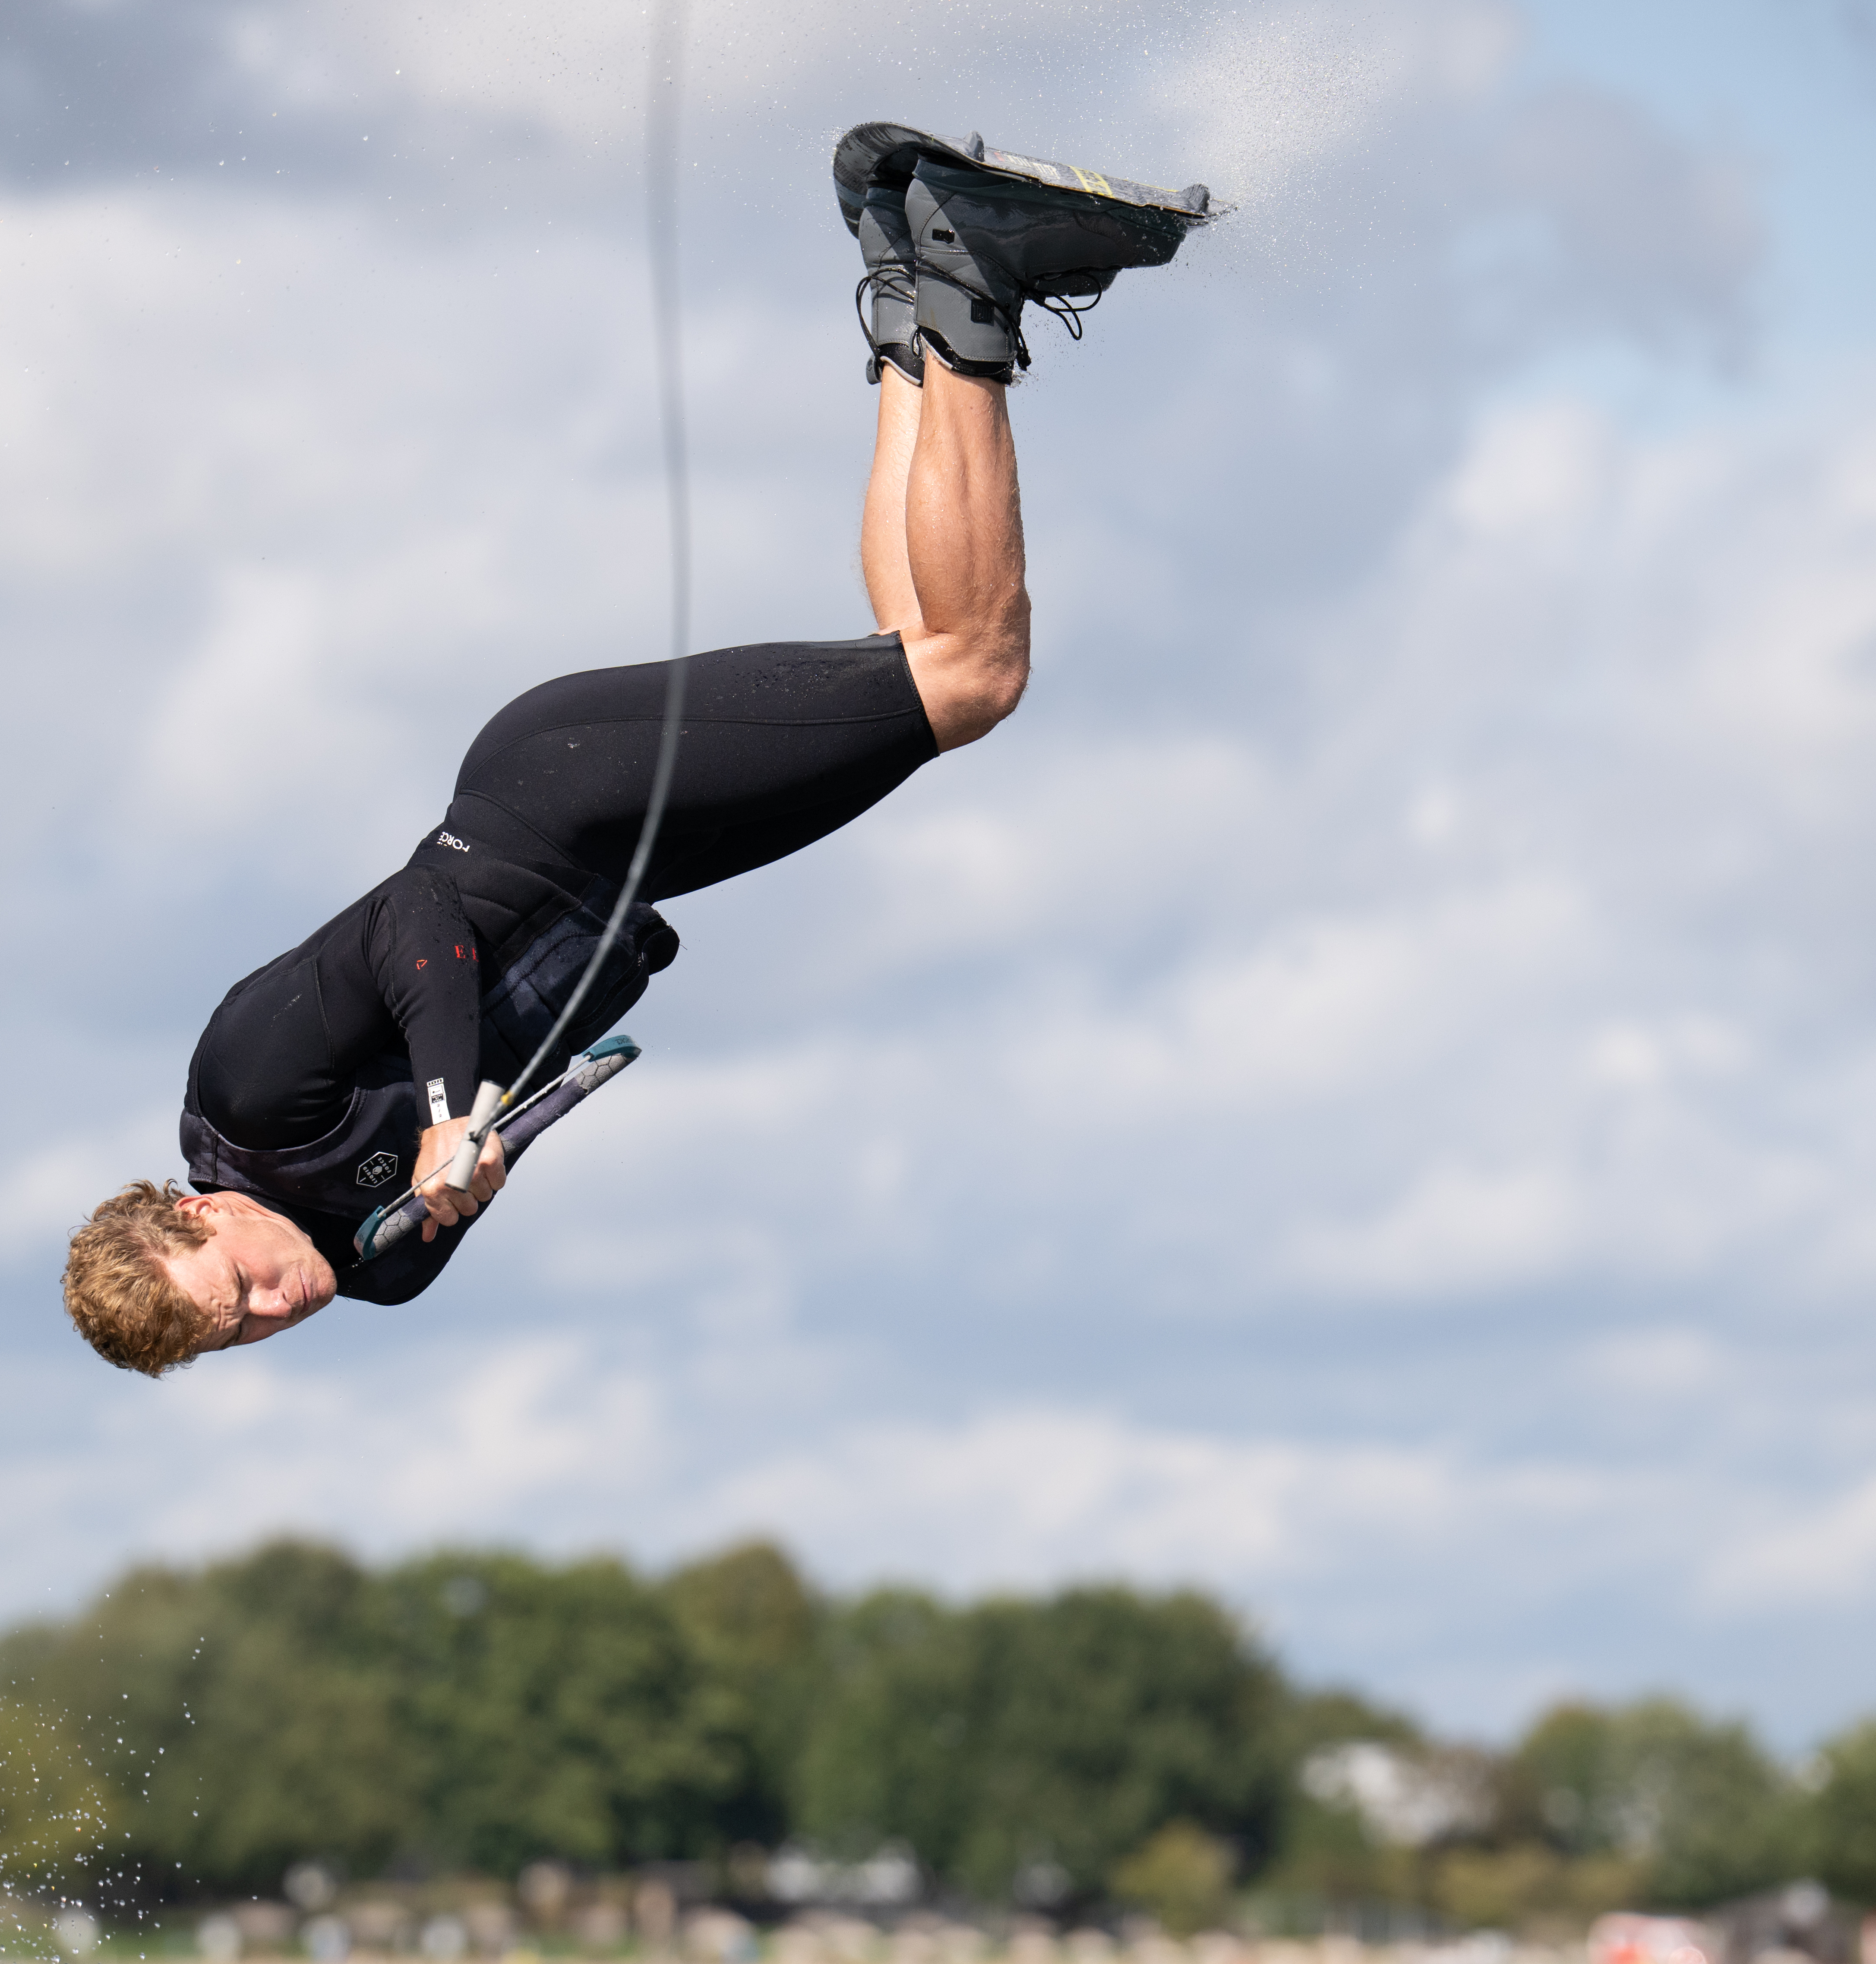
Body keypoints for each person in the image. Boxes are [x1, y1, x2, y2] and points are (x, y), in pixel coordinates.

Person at [66, 126, 1210, 1374]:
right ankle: (906, 274)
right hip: (630, 866)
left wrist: (451, 1115)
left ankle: (972, 282)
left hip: (559, 794)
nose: (276, 1308)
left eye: (238, 1289)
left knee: (971, 669)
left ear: (196, 1212)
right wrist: (475, 1167)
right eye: (243, 1334)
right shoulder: (381, 1268)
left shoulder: (245, 1090)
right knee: (923, 646)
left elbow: (419, 920)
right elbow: (495, 1124)